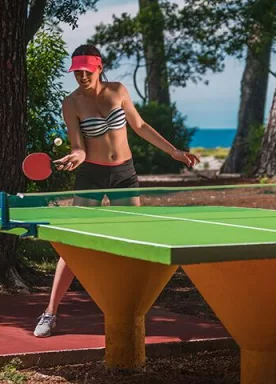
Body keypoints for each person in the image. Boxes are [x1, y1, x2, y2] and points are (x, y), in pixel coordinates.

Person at [34, 44, 199, 338]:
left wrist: (173, 151)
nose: (82, 76)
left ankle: (129, 308)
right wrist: (75, 156)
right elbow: (78, 147)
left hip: (124, 174)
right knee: (73, 243)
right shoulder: (71, 103)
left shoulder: (118, 90)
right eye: (77, 71)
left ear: (99, 67)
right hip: (91, 175)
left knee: (132, 240)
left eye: (87, 70)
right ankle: (50, 312)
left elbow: (140, 125)